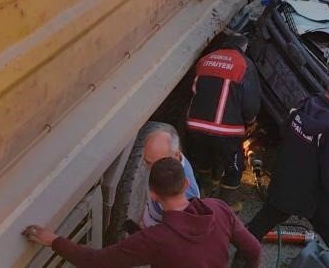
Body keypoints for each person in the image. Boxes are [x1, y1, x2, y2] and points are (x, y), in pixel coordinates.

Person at [23, 157, 262, 268]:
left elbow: (94, 261)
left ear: (153, 194)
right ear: (187, 185)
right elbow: (253, 248)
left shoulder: (155, 240)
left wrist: (51, 239)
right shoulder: (217, 208)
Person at [246, 72, 329, 268]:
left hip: (286, 186)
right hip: (316, 198)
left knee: (256, 228)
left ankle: (241, 261)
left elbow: (284, 132)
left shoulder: (304, 106)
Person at [186, 33, 261, 192]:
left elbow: (193, 89)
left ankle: (205, 189)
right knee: (234, 168)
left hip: (195, 125)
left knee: (202, 159)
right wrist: (250, 122)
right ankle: (228, 204)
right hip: (226, 131)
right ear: (244, 48)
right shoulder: (244, 64)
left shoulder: (205, 59)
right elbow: (250, 103)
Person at [139, 123, 201, 230]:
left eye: (157, 163)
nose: (151, 170)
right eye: (147, 162)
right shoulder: (172, 165)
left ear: (176, 155)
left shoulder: (188, 194)